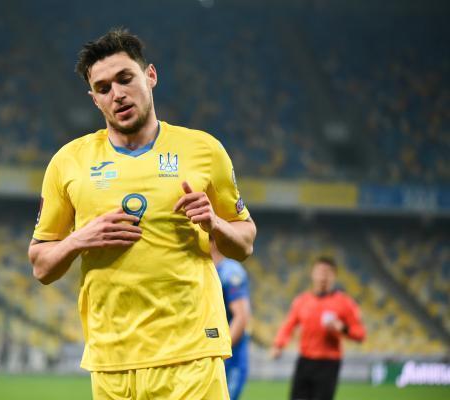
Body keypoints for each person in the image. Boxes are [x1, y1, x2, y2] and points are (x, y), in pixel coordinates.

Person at [29, 28, 257, 399]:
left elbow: (245, 243)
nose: (117, 94)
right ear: (94, 99)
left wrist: (214, 223)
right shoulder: (67, 162)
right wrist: (79, 239)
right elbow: (41, 266)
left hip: (191, 356)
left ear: (150, 75)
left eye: (125, 78)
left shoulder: (204, 150)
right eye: (103, 88)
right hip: (111, 361)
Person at [271, 256, 366, 400]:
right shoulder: (302, 300)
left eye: (328, 272)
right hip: (305, 361)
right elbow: (288, 325)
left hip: (328, 363)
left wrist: (342, 328)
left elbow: (360, 334)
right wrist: (278, 345)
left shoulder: (345, 303)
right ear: (312, 274)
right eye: (320, 272)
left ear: (334, 276)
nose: (323, 276)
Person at [211, 241, 252, 400]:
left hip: (229, 356)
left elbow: (241, 317)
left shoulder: (230, 272)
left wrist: (221, 352)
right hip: (209, 352)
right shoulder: (201, 269)